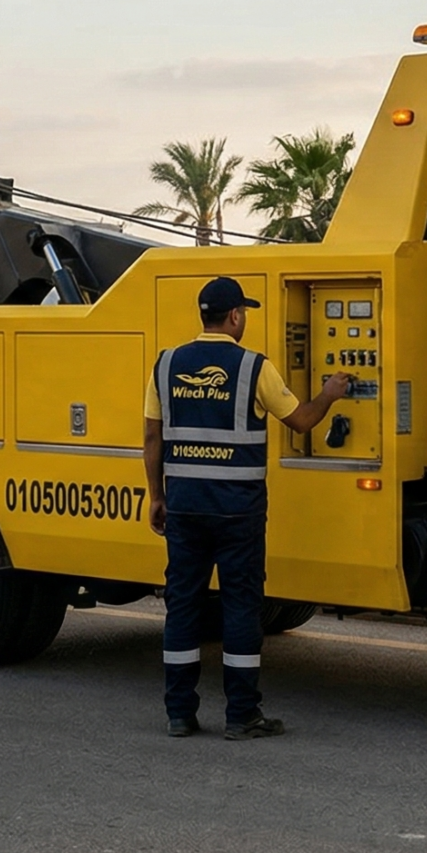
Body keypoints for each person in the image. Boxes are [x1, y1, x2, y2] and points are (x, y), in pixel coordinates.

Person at [143, 277, 354, 740]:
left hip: (184, 507)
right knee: (240, 607)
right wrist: (330, 393)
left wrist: (157, 496)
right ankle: (242, 715)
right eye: (244, 313)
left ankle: (179, 713)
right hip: (238, 512)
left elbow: (152, 437)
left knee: (183, 606)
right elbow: (300, 419)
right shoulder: (254, 367)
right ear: (235, 316)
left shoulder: (166, 364)